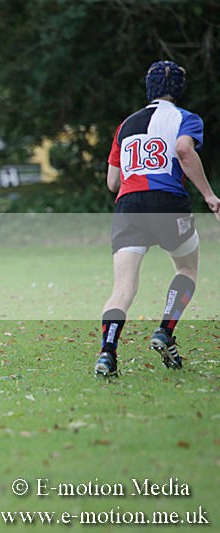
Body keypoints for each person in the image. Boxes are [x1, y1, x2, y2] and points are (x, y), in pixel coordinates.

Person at [94, 60, 220, 377]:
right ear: (179, 89)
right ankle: (165, 329)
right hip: (167, 202)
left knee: (123, 287)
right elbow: (183, 149)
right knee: (187, 269)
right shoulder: (184, 118)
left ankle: (107, 353)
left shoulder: (126, 125)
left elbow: (112, 182)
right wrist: (209, 196)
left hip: (129, 205)